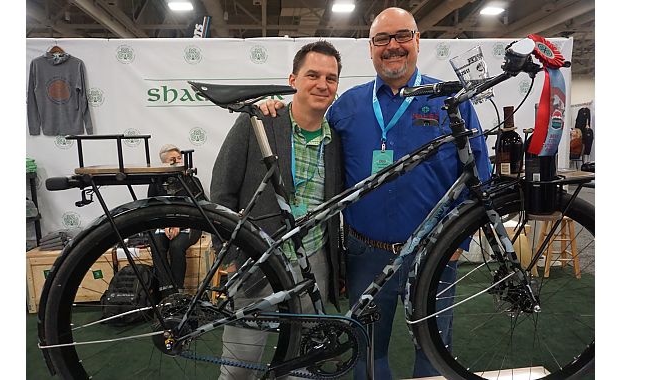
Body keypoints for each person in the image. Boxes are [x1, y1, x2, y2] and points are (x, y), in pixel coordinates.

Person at [261, 8, 491, 379]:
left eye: (402, 36)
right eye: (382, 39)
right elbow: (305, 124)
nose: (393, 46)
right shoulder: (347, 106)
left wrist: (458, 242)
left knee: (433, 351)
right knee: (368, 351)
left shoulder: (449, 100)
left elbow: (478, 172)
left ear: (417, 41)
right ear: (371, 49)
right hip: (366, 253)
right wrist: (273, 109)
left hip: (435, 253)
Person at [210, 40, 345, 380]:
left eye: (330, 78)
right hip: (258, 258)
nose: (322, 84)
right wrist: (224, 250)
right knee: (241, 364)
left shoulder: (337, 140)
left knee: (300, 364)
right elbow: (223, 187)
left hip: (313, 260)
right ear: (293, 79)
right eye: (312, 74)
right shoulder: (259, 122)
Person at [147, 144, 202, 294]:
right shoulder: (155, 183)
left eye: (179, 158)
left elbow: (200, 208)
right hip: (164, 225)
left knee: (176, 246)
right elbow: (151, 208)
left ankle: (178, 290)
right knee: (157, 244)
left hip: (190, 223)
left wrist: (179, 222)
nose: (178, 162)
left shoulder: (192, 180)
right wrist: (165, 223)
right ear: (164, 163)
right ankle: (167, 292)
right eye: (173, 160)